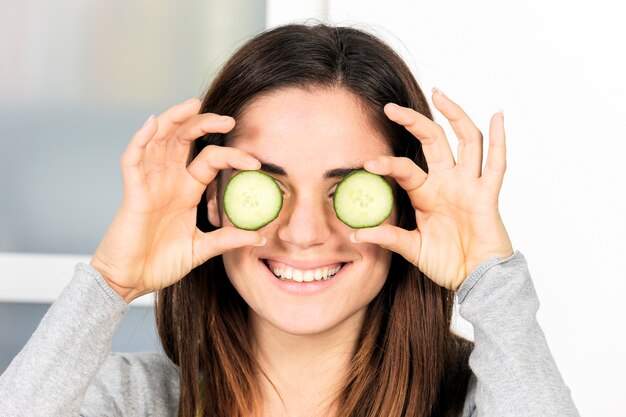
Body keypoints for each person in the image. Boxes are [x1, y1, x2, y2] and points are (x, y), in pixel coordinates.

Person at [0, 23, 579, 417]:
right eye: (267, 189)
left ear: (407, 205)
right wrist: (108, 283)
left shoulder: (480, 403)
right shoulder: (133, 401)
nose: (304, 234)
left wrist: (490, 277)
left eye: (349, 190)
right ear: (210, 199)